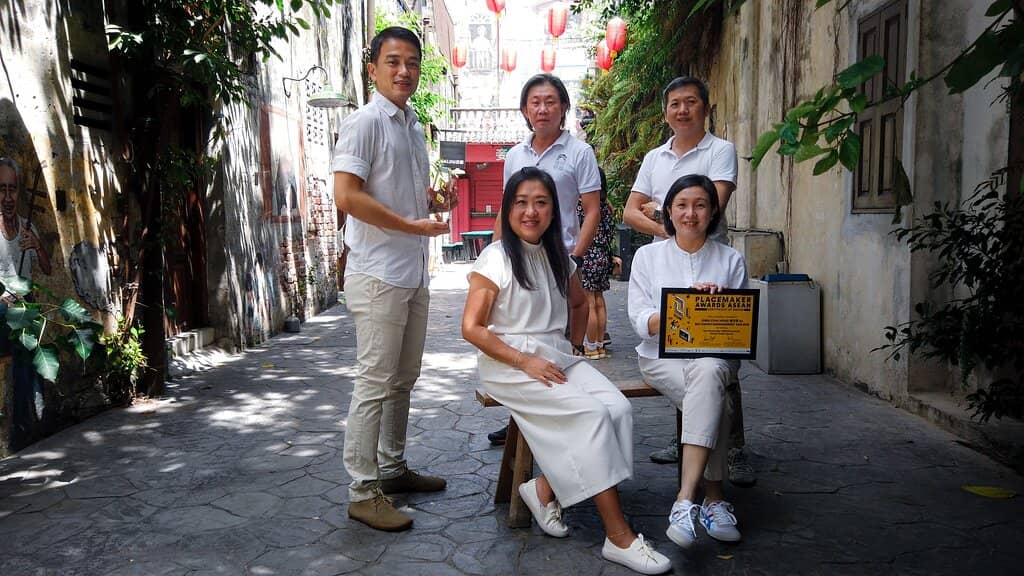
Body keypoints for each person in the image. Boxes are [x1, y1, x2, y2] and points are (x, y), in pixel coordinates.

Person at [463, 167, 671, 575]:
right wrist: (525, 361)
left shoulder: (560, 256)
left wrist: (572, 345)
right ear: (507, 208)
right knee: (591, 416)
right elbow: (471, 328)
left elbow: (578, 305)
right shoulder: (496, 257)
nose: (530, 211)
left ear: (553, 210)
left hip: (556, 356)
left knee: (618, 409)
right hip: (510, 364)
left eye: (540, 202)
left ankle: (542, 490)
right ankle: (619, 537)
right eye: (521, 202)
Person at [332, 26, 450, 532]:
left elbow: (398, 187)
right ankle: (362, 490)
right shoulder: (364, 122)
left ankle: (393, 468)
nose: (404, 71)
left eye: (412, 62)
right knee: (374, 384)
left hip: (411, 273)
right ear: (373, 68)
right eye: (394, 61)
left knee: (403, 379)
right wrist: (411, 225)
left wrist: (428, 200)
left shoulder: (411, 124)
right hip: (378, 274)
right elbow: (347, 196)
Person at [622, 77, 755, 487]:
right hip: (669, 257)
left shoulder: (720, 151)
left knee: (716, 352)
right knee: (680, 353)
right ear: (666, 112)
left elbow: (710, 203)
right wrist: (671, 233)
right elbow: (630, 212)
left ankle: (733, 450)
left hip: (710, 260)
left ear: (706, 108)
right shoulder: (654, 158)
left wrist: (665, 213)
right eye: (674, 103)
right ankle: (689, 447)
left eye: (691, 102)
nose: (682, 110)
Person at [628, 174, 747, 550]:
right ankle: (713, 499)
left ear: (713, 211)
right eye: (681, 205)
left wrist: (719, 304)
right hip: (662, 359)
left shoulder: (731, 260)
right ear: (668, 211)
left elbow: (739, 331)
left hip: (716, 359)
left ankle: (684, 501)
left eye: (700, 205)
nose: (690, 213)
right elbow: (640, 323)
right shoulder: (648, 257)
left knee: (711, 370)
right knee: (717, 400)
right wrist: (684, 308)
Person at [487, 73, 603, 446]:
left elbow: (593, 210)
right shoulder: (516, 155)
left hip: (560, 258)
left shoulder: (580, 153)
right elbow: (508, 210)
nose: (542, 109)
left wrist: (575, 257)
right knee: (516, 331)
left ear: (564, 107)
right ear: (525, 109)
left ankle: (562, 396)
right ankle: (519, 414)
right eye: (535, 102)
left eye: (550, 101)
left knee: (559, 333)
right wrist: (496, 253)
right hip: (521, 261)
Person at [576, 168, 614, 359]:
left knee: (589, 301)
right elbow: (609, 234)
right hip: (603, 255)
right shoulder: (607, 207)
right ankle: (599, 345)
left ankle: (590, 346)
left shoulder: (582, 206)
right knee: (599, 300)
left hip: (588, 255)